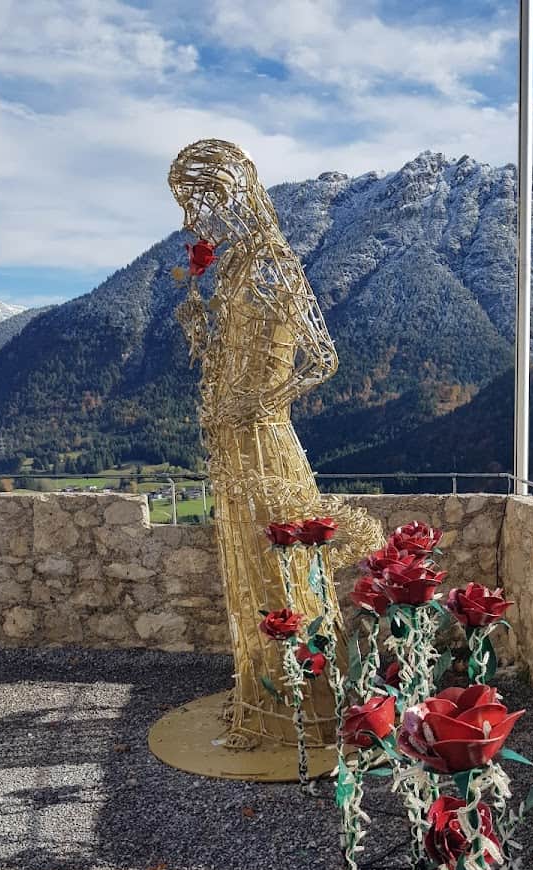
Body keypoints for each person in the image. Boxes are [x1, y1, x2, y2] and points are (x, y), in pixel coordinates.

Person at [168, 139, 381, 749]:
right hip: (233, 447)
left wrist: (261, 402)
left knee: (288, 566)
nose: (196, 218)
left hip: (265, 440)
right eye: (189, 206)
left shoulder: (271, 262)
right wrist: (203, 333)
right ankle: (260, 697)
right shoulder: (234, 267)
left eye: (201, 201)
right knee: (249, 568)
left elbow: (322, 359)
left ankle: (311, 702)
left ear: (231, 195)